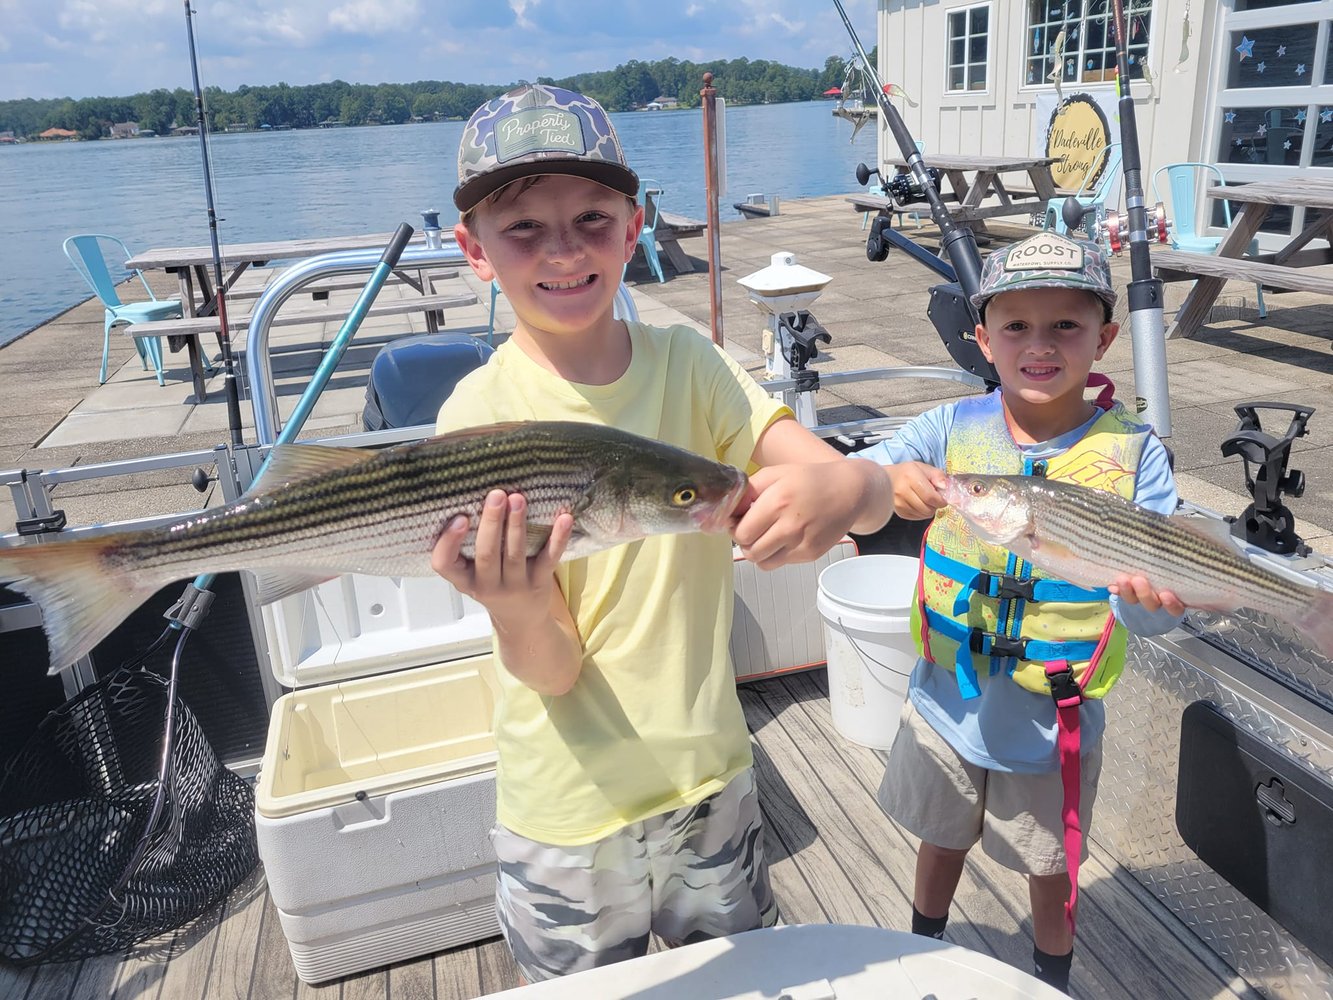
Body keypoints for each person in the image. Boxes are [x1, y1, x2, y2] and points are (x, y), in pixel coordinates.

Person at [429, 83, 894, 983]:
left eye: (592, 219)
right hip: (565, 810)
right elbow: (551, 669)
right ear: (473, 250)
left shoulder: (692, 365)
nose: (562, 251)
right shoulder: (476, 420)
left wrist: (853, 485)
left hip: (711, 780)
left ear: (635, 222)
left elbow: (818, 480)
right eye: (522, 228)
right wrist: (516, 609)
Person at [855, 231, 1184, 995]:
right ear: (981, 340)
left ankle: (1050, 976)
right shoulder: (945, 429)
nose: (1039, 345)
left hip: (1049, 723)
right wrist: (887, 481)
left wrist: (1151, 609)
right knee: (939, 840)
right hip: (941, 705)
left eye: (1064, 325)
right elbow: (860, 477)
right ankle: (920, 951)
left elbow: (1155, 609)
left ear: (1103, 339)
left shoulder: (1135, 454)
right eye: (1015, 326)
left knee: (1047, 868)